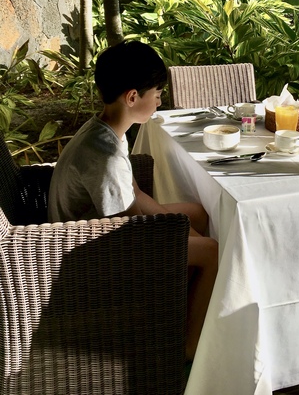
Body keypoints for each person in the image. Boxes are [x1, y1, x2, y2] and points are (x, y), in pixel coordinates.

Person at [48, 40, 218, 361]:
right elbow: (129, 227)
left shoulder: (107, 129)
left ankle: (174, 311)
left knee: (196, 213)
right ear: (132, 97)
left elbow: (135, 194)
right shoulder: (106, 156)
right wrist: (181, 236)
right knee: (212, 251)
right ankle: (187, 349)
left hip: (101, 230)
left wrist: (180, 227)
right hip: (89, 256)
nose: (159, 101)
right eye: (156, 94)